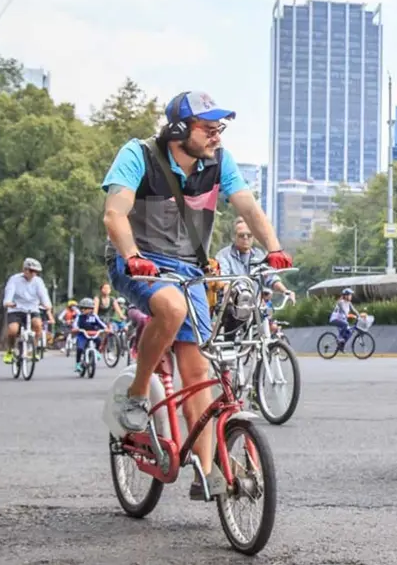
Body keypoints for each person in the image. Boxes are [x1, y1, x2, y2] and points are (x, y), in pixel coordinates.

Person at [101, 90, 292, 500]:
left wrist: (274, 248)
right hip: (138, 261)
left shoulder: (219, 162)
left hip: (188, 269)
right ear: (178, 129)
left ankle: (206, 473)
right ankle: (137, 394)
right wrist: (132, 255)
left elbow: (248, 206)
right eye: (208, 128)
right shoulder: (139, 155)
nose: (216, 136)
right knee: (170, 306)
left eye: (218, 128)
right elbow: (115, 213)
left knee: (198, 372)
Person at [214, 217, 296, 301]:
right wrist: (228, 293)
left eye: (249, 235)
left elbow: (270, 277)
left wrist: (285, 291)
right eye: (241, 235)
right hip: (231, 305)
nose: (245, 238)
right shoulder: (224, 255)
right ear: (234, 237)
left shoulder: (259, 255)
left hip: (254, 307)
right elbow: (224, 279)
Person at [2, 258, 54, 364]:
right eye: (31, 270)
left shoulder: (38, 281)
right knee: (13, 330)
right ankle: (10, 351)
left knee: (38, 325)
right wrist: (8, 302)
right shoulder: (14, 279)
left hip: (32, 309)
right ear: (24, 269)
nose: (33, 274)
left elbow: (43, 294)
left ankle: (32, 350)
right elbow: (9, 291)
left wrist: (47, 305)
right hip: (16, 308)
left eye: (35, 272)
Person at [70, 297, 109, 374]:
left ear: (91, 309)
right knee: (80, 348)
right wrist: (75, 328)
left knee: (98, 340)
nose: (83, 310)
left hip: (93, 334)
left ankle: (97, 352)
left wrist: (106, 328)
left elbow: (100, 323)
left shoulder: (94, 316)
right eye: (82, 308)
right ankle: (78, 364)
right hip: (82, 335)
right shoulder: (79, 316)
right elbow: (75, 324)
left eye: (85, 308)